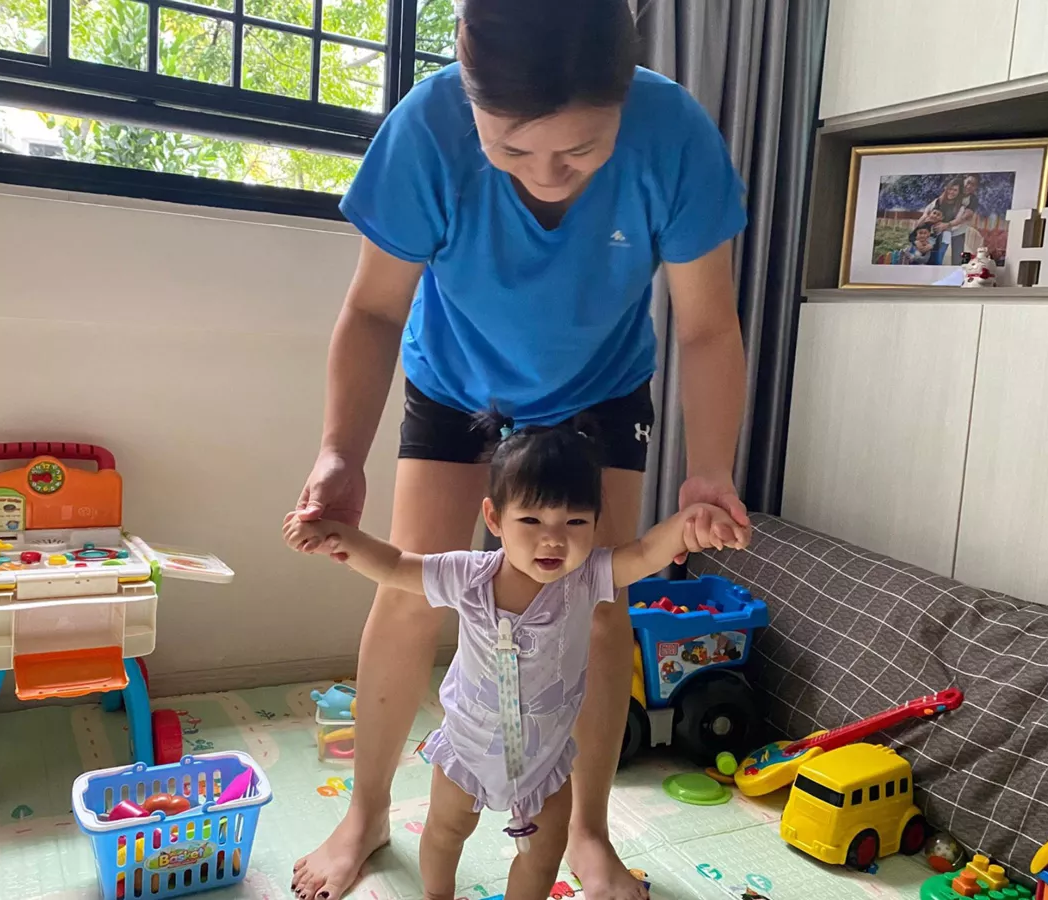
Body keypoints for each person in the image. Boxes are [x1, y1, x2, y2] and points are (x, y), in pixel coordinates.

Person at [287, 0, 752, 898]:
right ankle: (366, 812)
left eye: (578, 151)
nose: (547, 174)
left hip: (602, 388)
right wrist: (339, 452)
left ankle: (586, 832)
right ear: (470, 102)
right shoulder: (427, 128)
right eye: (511, 149)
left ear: (624, 95)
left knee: (604, 602)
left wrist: (711, 469)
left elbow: (705, 325)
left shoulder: (674, 136)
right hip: (459, 382)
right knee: (412, 590)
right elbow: (376, 309)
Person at [283, 420, 749, 900]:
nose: (552, 540)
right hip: (467, 752)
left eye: (574, 523)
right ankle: (436, 895)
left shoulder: (590, 577)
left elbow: (650, 549)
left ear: (594, 522)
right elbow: (397, 566)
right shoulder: (469, 575)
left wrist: (690, 525)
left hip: (544, 763)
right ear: (494, 518)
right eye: (531, 522)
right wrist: (341, 538)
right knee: (443, 835)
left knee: (542, 855)